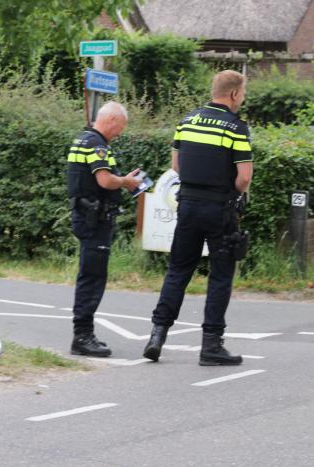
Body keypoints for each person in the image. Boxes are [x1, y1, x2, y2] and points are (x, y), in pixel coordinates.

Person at [143, 70, 253, 365]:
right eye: (242, 93)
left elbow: (177, 167)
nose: (242, 98)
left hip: (188, 206)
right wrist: (229, 191)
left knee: (178, 270)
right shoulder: (236, 127)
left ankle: (157, 335)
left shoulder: (187, 121)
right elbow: (244, 178)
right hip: (220, 209)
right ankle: (211, 345)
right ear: (233, 94)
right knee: (220, 274)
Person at [67, 101, 142, 357]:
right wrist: (127, 182)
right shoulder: (96, 145)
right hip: (94, 220)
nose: (119, 133)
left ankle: (84, 334)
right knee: (92, 278)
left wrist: (123, 179)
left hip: (87, 216)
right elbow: (105, 180)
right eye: (120, 127)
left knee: (90, 275)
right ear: (111, 120)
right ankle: (82, 336)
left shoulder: (83, 140)